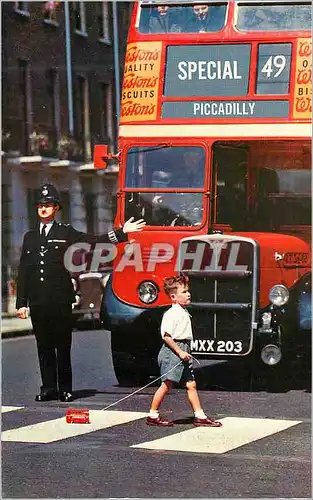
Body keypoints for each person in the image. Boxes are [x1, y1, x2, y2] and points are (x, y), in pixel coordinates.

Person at [16, 183, 146, 403]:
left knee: (62, 345)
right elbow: (24, 270)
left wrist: (121, 233)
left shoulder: (65, 232)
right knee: (43, 346)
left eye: (48, 205)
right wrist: (22, 302)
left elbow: (93, 242)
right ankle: (48, 388)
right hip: (38, 301)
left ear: (56, 208)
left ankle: (65, 388)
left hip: (60, 300)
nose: (44, 209)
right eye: (40, 205)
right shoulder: (30, 237)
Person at [146, 275, 222, 427]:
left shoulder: (183, 311)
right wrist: (180, 352)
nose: (189, 294)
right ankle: (153, 415)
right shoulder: (171, 314)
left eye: (188, 291)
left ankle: (200, 416)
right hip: (173, 351)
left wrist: (184, 350)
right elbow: (167, 337)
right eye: (184, 292)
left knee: (191, 384)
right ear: (173, 297)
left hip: (184, 349)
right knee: (167, 384)